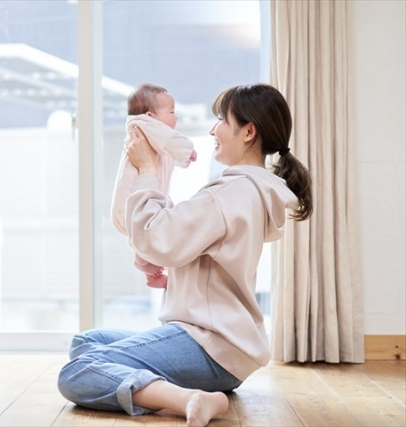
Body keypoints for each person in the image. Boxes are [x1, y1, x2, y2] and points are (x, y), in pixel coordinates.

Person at [57, 83, 313, 426]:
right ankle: (174, 385)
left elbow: (157, 238)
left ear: (249, 132)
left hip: (209, 346)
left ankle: (188, 397)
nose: (213, 129)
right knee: (86, 342)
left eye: (222, 120)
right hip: (225, 349)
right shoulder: (250, 190)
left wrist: (147, 170)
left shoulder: (232, 192)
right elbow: (189, 246)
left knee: (78, 371)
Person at [111, 83, 198, 289]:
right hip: (131, 206)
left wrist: (181, 159)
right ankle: (146, 262)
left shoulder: (151, 136)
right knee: (151, 228)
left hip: (136, 207)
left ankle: (149, 269)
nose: (175, 117)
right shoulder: (143, 126)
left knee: (153, 228)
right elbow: (172, 142)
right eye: (171, 112)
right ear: (151, 116)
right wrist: (188, 150)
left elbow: (168, 153)